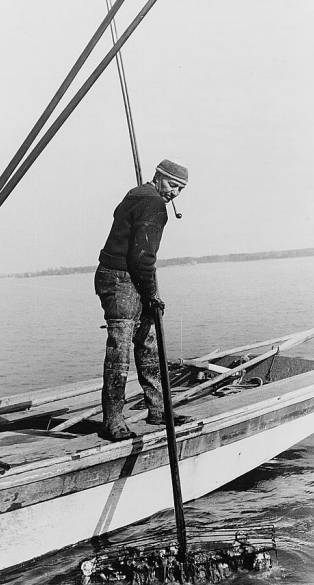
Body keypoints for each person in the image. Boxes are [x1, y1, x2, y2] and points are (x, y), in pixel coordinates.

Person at [95, 159, 191, 441]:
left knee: (148, 343)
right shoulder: (152, 203)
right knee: (120, 351)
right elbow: (142, 258)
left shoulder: (138, 193)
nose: (174, 193)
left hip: (124, 276)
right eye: (173, 185)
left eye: (180, 190)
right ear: (159, 177)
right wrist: (152, 296)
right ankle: (112, 421)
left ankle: (159, 410)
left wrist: (148, 296)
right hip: (121, 279)